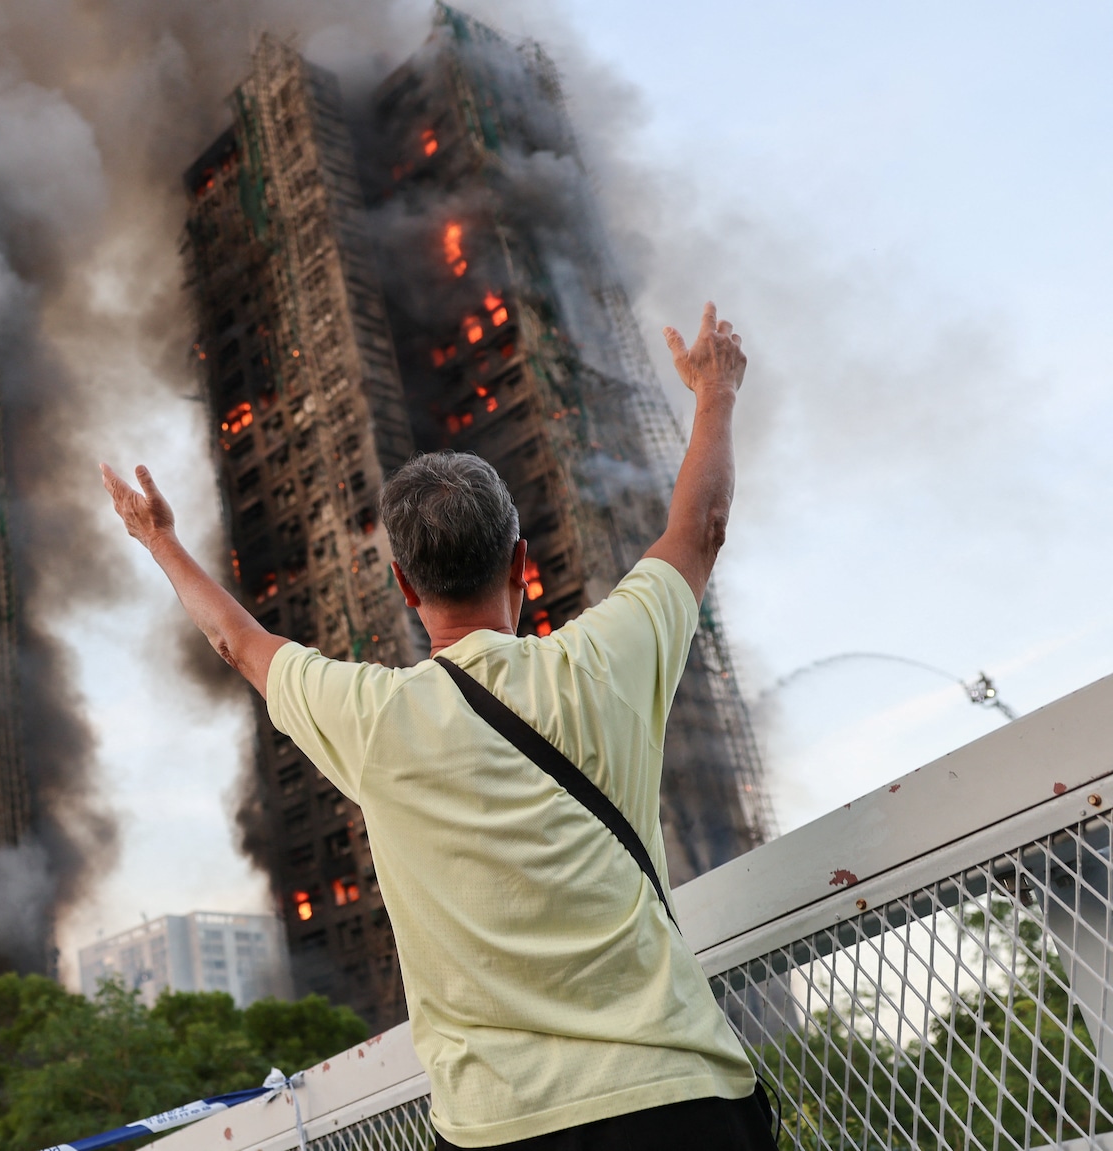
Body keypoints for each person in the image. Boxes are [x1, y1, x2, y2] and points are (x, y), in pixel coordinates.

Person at [100, 303, 773, 1149]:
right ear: (522, 563)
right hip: (682, 1101)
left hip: (502, 1128)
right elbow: (699, 529)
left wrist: (158, 538)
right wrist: (716, 390)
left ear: (404, 586)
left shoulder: (372, 717)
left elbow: (238, 642)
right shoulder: (609, 658)